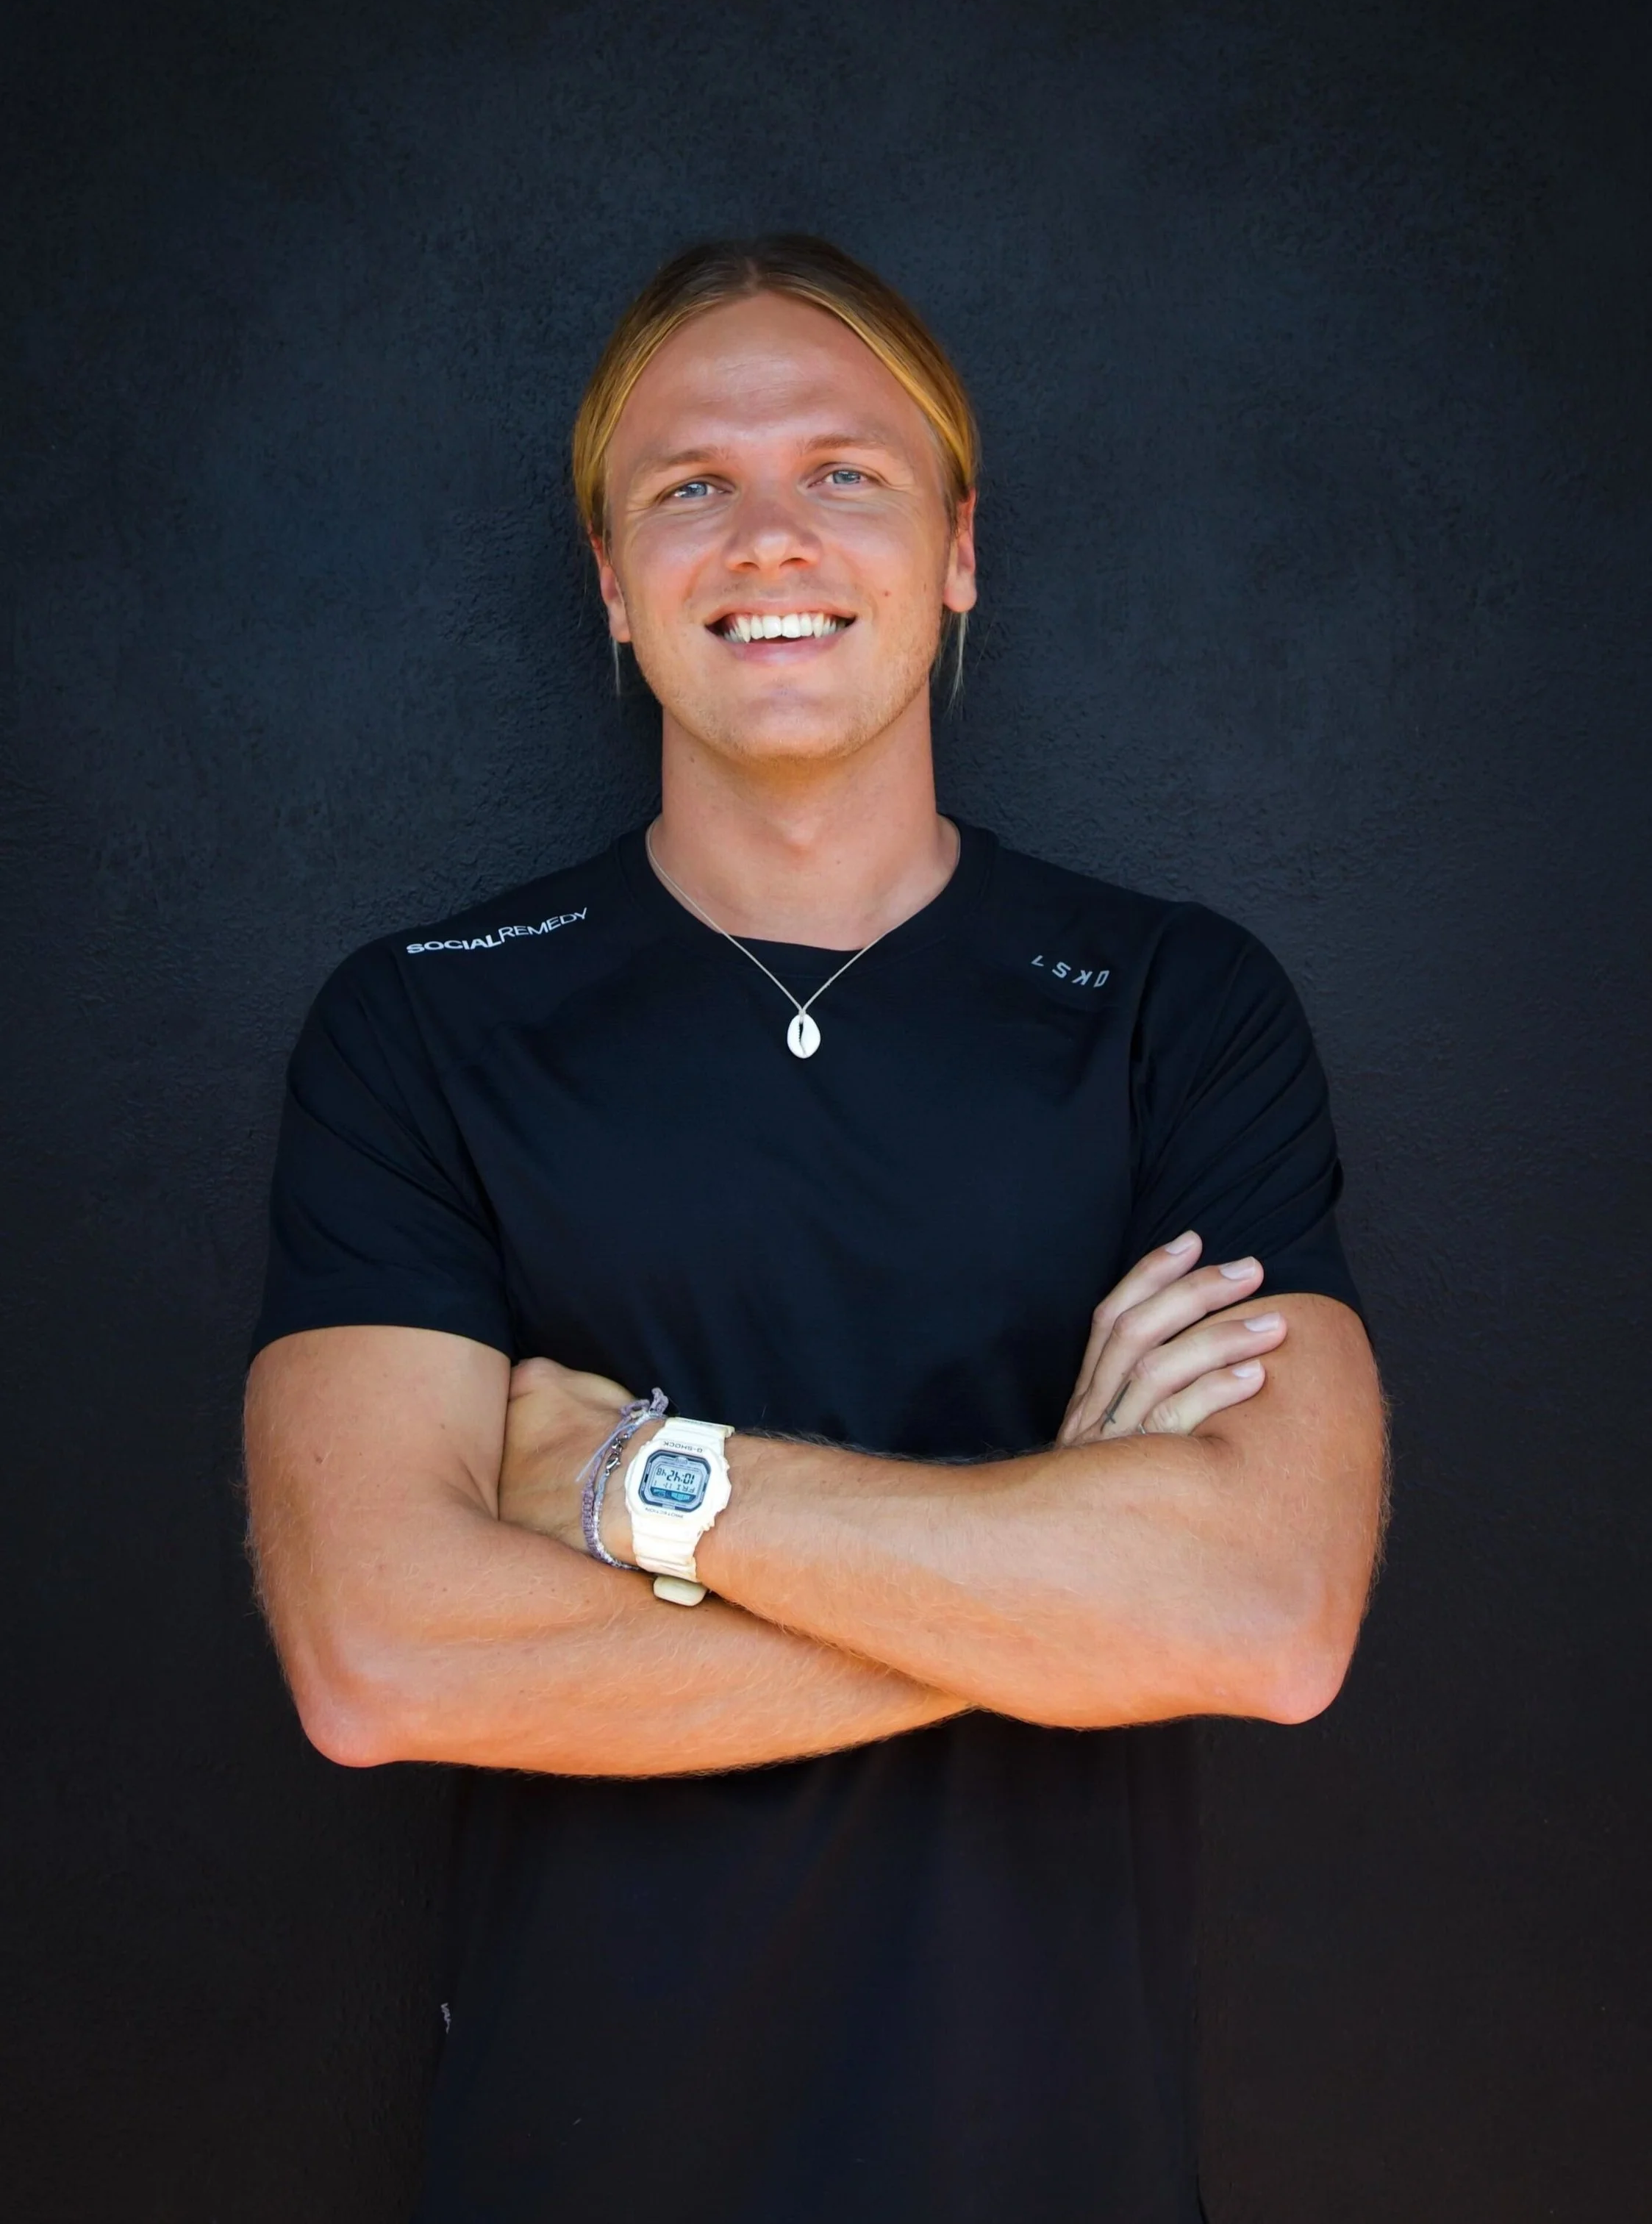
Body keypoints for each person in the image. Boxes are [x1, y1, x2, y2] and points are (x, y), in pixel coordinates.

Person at [244, 235, 1386, 2224]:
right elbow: (379, 1658)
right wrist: (1078, 1565)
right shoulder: (427, 1016)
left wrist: (632, 1485)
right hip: (569, 2165)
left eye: (843, 472)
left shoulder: (1171, 1006)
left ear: (956, 550)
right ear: (611, 580)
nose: (766, 534)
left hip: (1058, 2163)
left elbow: (1269, 1622)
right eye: (690, 485)